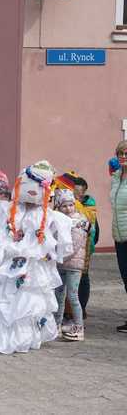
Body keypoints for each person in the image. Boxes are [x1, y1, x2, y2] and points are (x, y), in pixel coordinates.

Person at [0, 161, 73, 354]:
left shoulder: (44, 214)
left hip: (30, 266)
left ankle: (22, 336)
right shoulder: (6, 210)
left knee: (25, 302)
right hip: (5, 260)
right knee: (0, 297)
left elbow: (58, 231)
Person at [53, 189, 89, 341]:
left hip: (73, 265)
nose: (68, 209)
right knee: (59, 296)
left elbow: (74, 245)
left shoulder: (79, 222)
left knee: (72, 296)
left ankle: (79, 327)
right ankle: (56, 325)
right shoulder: (59, 221)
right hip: (61, 264)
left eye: (70, 205)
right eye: (64, 206)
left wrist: (58, 256)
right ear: (58, 208)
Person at [73, 176, 98, 316]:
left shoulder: (89, 203)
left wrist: (75, 203)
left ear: (84, 191)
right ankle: (69, 310)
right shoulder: (69, 202)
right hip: (72, 246)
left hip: (86, 246)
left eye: (79, 191)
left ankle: (81, 309)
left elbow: (88, 218)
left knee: (83, 277)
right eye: (74, 191)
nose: (77, 194)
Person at [111, 140, 127, 332]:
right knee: (126, 278)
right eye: (120, 154)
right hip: (119, 234)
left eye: (126, 153)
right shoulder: (116, 177)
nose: (123, 157)